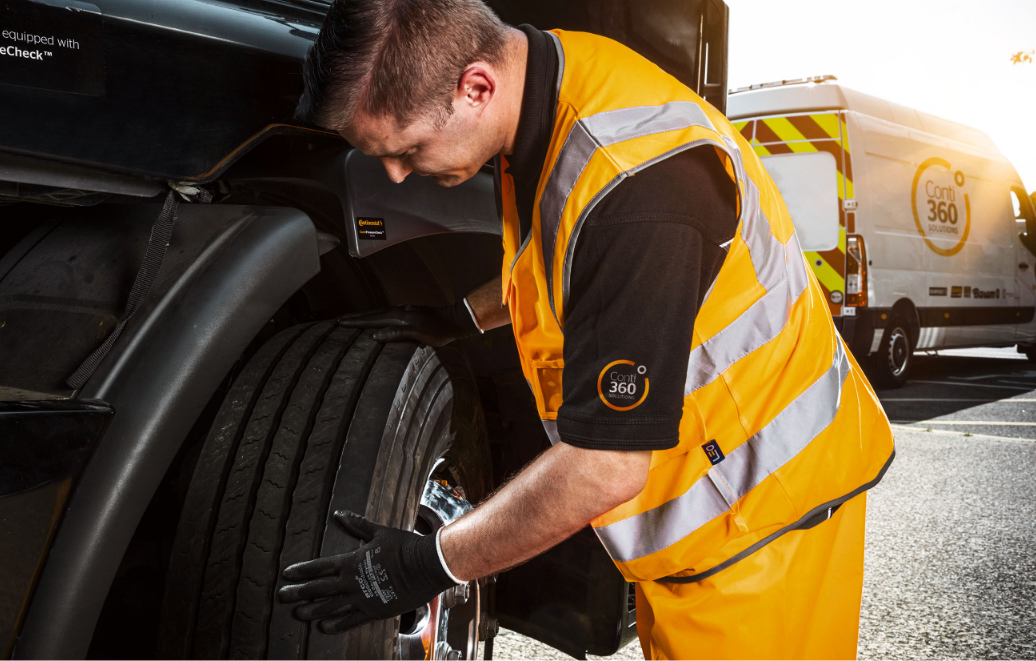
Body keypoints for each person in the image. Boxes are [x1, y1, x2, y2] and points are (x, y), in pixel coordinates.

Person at [277, 0, 895, 657]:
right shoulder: (551, 80)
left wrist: (430, 562)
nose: (397, 173)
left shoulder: (637, 191)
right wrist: (457, 318)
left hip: (766, 527)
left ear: (476, 86)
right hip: (712, 518)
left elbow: (604, 467)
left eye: (409, 149)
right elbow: (569, 267)